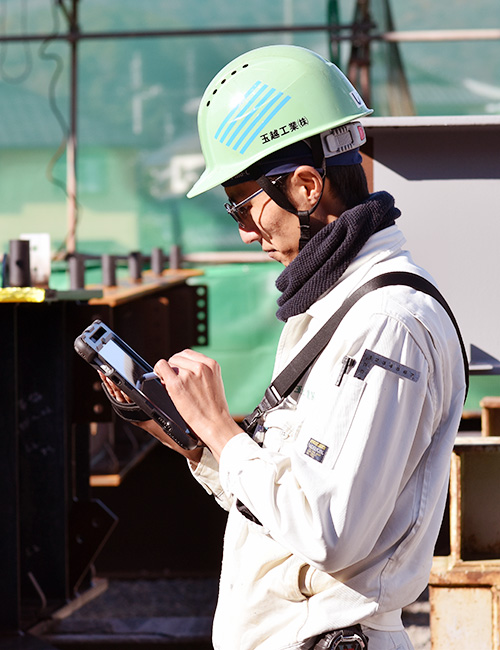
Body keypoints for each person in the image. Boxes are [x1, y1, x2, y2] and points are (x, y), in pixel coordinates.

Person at [101, 45, 467, 650]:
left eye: (243, 206)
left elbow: (331, 531)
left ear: (305, 186)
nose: (245, 233)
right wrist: (196, 445)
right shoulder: (332, 309)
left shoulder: (388, 322)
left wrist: (221, 429)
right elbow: (289, 511)